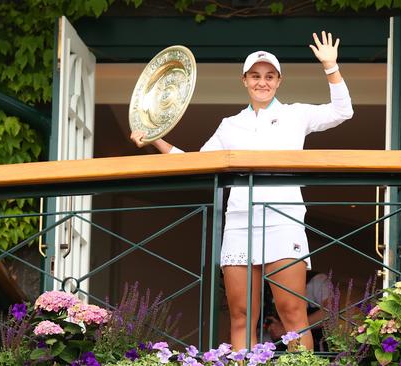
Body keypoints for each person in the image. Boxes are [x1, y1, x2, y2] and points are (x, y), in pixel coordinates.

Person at [130, 31, 354, 351]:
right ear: (244, 81)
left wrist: (331, 67)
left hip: (283, 219)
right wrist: (154, 137)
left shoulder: (296, 114)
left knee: (292, 312)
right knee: (241, 315)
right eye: (255, 76)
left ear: (278, 81)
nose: (262, 82)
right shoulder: (229, 124)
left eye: (269, 76)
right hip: (239, 223)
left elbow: (342, 111)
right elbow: (196, 164)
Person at [264, 272, 333, 351]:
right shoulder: (268, 286)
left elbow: (329, 313)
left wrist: (285, 330)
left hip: (317, 346)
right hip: (280, 347)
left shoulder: (317, 280)